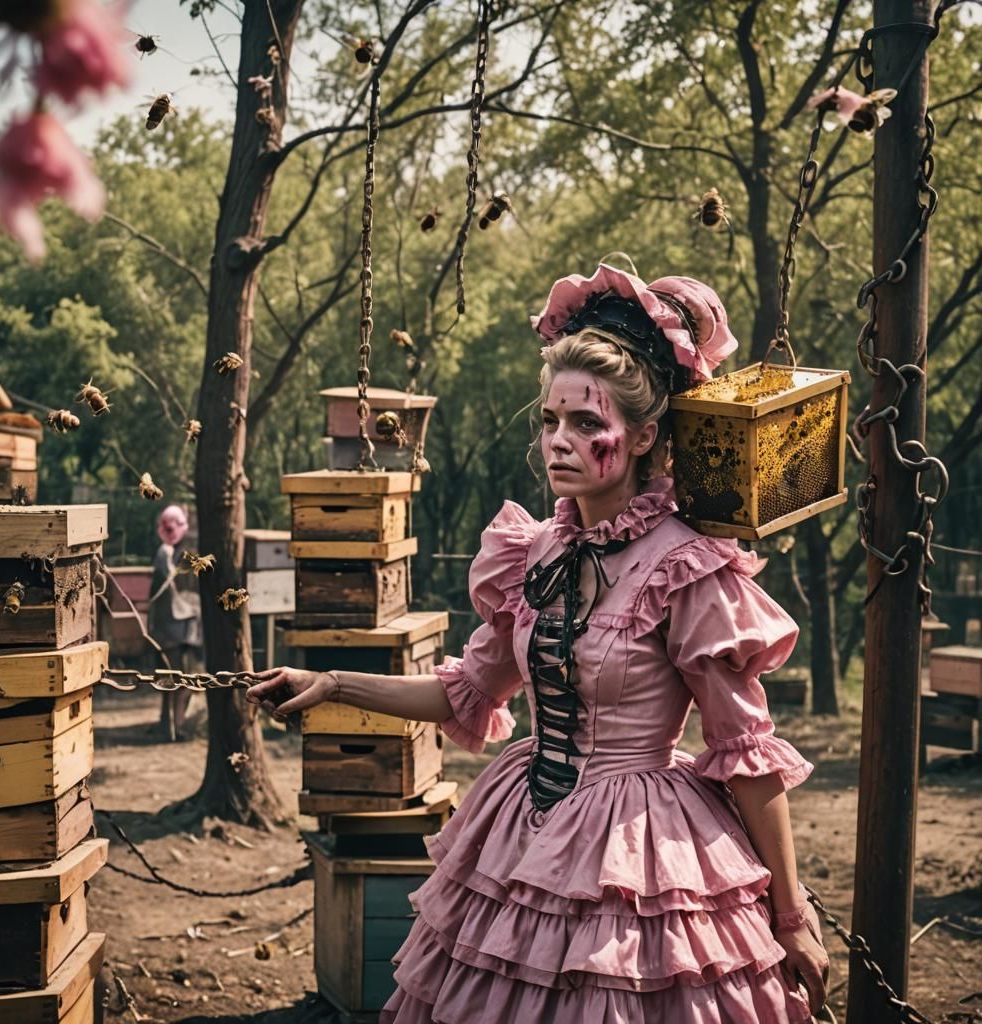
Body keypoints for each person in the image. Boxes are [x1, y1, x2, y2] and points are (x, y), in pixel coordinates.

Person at [247, 261, 830, 1022]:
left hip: (638, 852)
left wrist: (792, 917)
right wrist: (332, 684)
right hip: (523, 831)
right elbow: (469, 690)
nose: (560, 441)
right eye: (551, 421)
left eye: (588, 424)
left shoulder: (684, 567)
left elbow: (747, 757)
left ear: (645, 435)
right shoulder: (537, 551)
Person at [148, 503, 203, 741]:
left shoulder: (175, 553)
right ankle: (175, 726)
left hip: (171, 627)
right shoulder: (167, 554)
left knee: (171, 678)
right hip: (174, 627)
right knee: (178, 679)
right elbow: (172, 596)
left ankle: (169, 725)